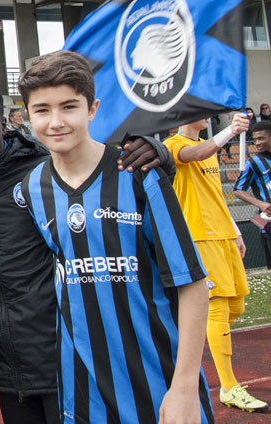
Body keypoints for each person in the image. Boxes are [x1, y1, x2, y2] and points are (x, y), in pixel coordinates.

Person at [0, 79, 171, 424]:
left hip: (66, 358)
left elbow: (100, 174)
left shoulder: (43, 170)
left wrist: (159, 153)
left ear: (3, 122)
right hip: (4, 368)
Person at [19, 50, 213, 424]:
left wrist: (185, 387)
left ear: (92, 109)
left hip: (158, 381)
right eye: (42, 110)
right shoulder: (32, 188)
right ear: (28, 114)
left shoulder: (139, 173)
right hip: (82, 389)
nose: (55, 121)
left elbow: (192, 284)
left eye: (68, 107)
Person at [165, 112, 268, 413]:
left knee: (236, 306)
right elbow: (196, 153)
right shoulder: (174, 145)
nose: (208, 115)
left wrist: (236, 231)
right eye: (201, 111)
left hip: (223, 236)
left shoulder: (209, 148)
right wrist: (230, 132)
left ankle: (188, 340)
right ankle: (229, 387)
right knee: (218, 308)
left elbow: (216, 196)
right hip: (199, 236)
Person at [233, 120, 271, 270]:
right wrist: (261, 204)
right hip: (269, 226)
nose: (257, 143)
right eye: (254, 139)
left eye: (261, 138)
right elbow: (238, 190)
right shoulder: (253, 164)